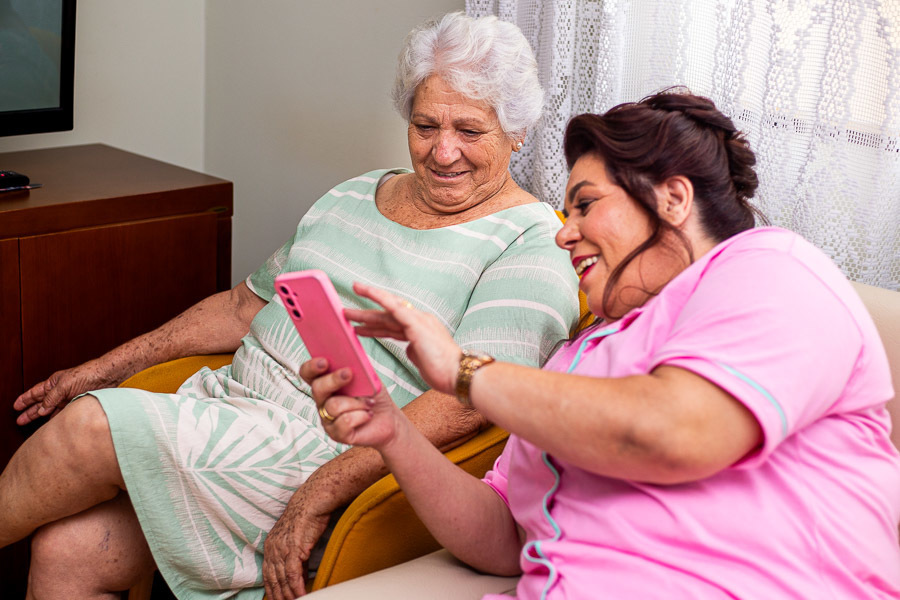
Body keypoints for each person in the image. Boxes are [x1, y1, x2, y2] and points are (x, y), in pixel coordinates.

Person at [1, 12, 580, 600]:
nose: (442, 150)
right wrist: (98, 369)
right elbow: (241, 309)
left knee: (90, 427)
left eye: (471, 131)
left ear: (517, 132)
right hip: (229, 405)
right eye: (426, 125)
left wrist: (325, 486)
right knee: (66, 552)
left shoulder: (531, 244)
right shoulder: (357, 193)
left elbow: (467, 405)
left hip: (320, 449)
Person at [305, 89, 900, 598]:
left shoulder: (771, 270)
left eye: (586, 205)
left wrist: (464, 371)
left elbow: (675, 432)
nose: (565, 233)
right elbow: (506, 538)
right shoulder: (579, 357)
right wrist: (394, 433)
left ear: (672, 198)